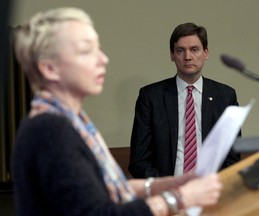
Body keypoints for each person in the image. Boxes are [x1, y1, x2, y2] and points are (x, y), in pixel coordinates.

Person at [12, 8, 223, 216]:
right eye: (87, 51)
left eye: (99, 49)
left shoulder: (72, 120)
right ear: (49, 68)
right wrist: (180, 198)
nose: (103, 59)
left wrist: (162, 185)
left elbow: (102, 192)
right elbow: (101, 212)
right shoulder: (50, 130)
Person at [129, 22, 241, 178]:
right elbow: (138, 162)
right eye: (180, 50)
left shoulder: (225, 96)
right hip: (167, 191)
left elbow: (232, 157)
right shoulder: (151, 97)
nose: (188, 57)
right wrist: (168, 187)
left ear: (206, 53)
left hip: (211, 189)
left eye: (194, 49)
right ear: (172, 55)